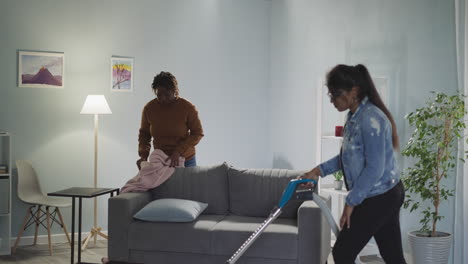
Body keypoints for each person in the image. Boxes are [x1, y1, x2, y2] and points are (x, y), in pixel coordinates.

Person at [300, 64, 406, 264]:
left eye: (336, 94)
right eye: (330, 95)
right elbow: (349, 157)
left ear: (354, 91)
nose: (332, 100)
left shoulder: (372, 119)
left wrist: (351, 202)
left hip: (381, 196)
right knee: (393, 256)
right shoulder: (354, 117)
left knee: (342, 252)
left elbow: (375, 169)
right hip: (382, 194)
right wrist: (318, 171)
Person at [137, 71, 204, 169]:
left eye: (167, 95)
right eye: (159, 95)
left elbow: (197, 133)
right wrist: (143, 156)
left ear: (175, 91)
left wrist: (178, 151)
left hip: (185, 160)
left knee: (187, 185)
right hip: (161, 161)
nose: (163, 99)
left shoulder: (187, 108)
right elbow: (144, 135)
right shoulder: (149, 108)